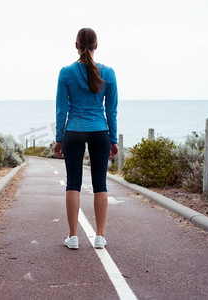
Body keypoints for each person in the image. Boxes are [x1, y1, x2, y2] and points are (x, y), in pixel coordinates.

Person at [53, 28, 118, 250]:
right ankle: (99, 236)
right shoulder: (108, 73)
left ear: (76, 45)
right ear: (96, 46)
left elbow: (61, 109)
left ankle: (73, 237)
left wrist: (59, 138)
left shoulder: (66, 72)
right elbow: (111, 110)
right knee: (100, 184)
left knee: (73, 184)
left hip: (73, 132)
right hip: (99, 132)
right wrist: (113, 139)